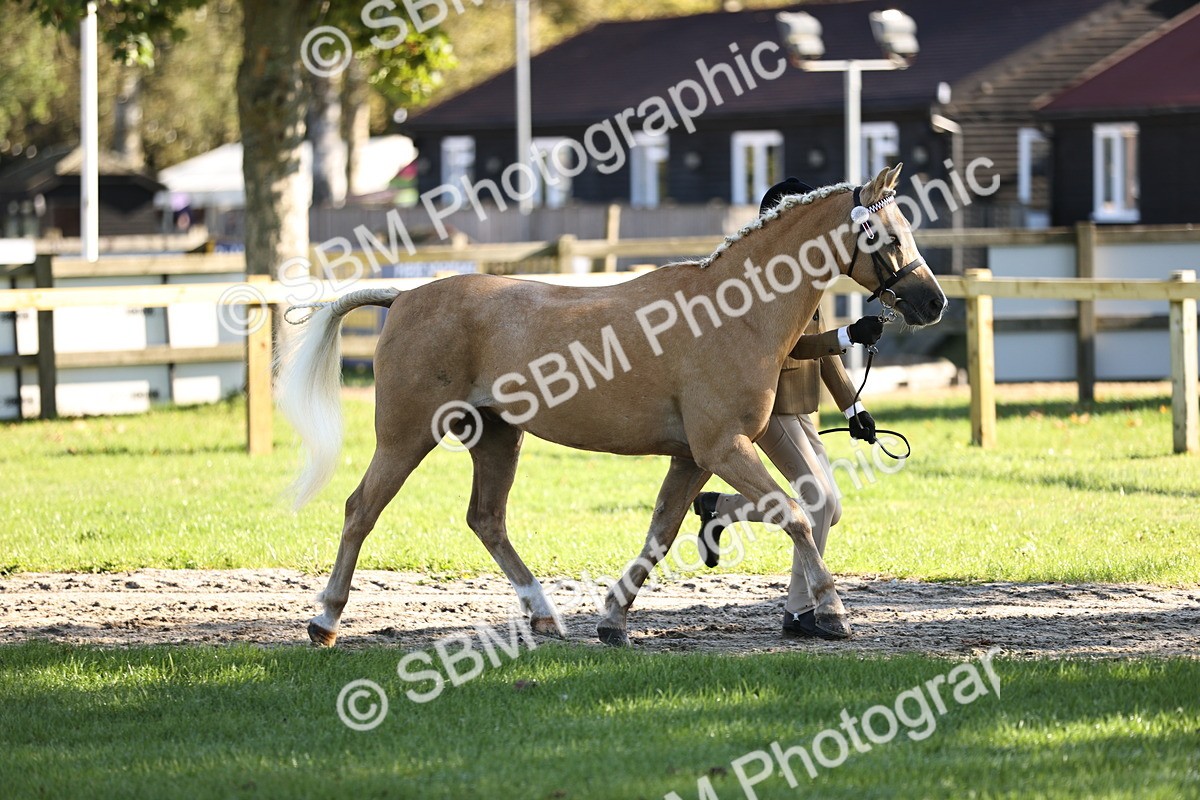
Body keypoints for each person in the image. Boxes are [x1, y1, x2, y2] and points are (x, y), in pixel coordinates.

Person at [691, 177, 882, 640]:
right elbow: (791, 347)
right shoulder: (759, 282)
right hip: (771, 410)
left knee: (827, 510)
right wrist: (848, 336)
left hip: (804, 411)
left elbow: (826, 351)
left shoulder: (806, 277)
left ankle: (723, 509)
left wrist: (852, 406)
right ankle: (801, 612)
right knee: (820, 501)